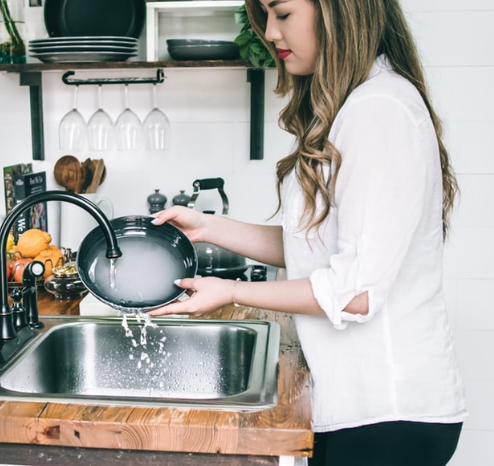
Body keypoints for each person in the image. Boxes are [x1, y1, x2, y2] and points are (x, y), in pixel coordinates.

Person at [148, 0, 468, 464]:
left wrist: (231, 290)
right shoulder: (355, 104)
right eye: (265, 18)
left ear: (341, 11)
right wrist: (209, 227)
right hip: (364, 407)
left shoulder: (377, 110)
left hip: (388, 414)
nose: (270, 34)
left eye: (282, 14)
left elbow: (354, 292)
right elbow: (315, 250)